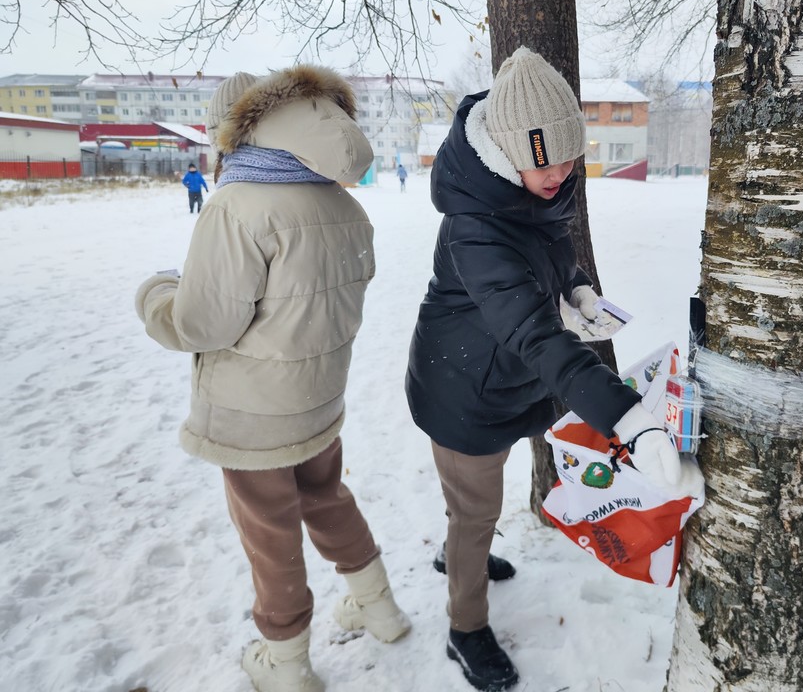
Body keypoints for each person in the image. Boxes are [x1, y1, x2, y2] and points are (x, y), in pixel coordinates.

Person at [405, 47, 700, 691]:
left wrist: (578, 292)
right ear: (507, 150)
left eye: (570, 156)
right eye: (545, 159)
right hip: (464, 393)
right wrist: (627, 419)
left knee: (473, 507)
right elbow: (534, 338)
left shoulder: (530, 190)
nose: (561, 172)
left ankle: (463, 547)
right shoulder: (473, 227)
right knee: (475, 511)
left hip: (506, 378)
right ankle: (465, 627)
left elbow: (553, 255)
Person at [136, 65, 411, 692]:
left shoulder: (239, 205)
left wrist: (157, 296)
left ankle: (285, 664)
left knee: (271, 535)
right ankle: (380, 606)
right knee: (327, 498)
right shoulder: (342, 202)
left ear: (237, 131)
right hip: (318, 398)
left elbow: (203, 324)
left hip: (254, 412)